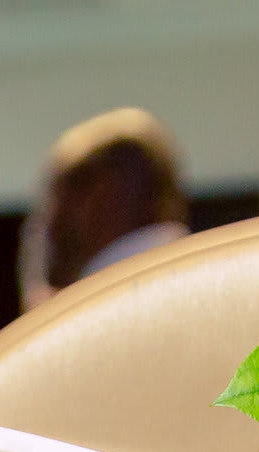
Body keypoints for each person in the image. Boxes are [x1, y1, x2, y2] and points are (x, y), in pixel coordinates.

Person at [17, 107, 191, 312]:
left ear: (101, 201)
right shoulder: (209, 276)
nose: (45, 229)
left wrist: (48, 319)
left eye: (55, 203)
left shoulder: (86, 317)